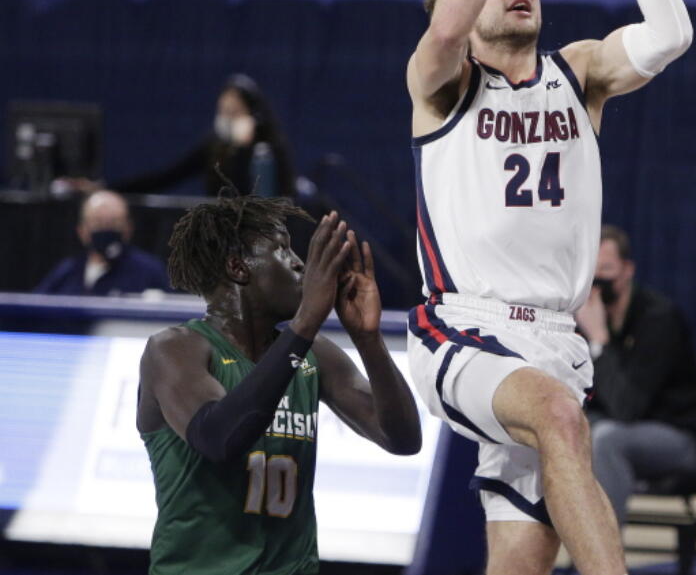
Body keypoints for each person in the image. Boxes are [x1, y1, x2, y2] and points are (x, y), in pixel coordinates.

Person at [403, 0, 691, 575]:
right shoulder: (442, 86)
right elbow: (440, 33)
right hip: (463, 329)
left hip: (555, 343)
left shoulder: (580, 72)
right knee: (560, 418)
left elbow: (670, 36)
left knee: (520, 565)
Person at [137, 197, 421, 575]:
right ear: (239, 268)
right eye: (282, 250)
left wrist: (368, 339)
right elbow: (218, 438)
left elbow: (402, 439)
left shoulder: (313, 353)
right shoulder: (175, 349)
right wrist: (305, 322)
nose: (300, 263)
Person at [574, 225, 696, 525]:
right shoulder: (579, 318)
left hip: (678, 434)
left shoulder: (659, 319)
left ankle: (603, 563)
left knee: (607, 439)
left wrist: (598, 340)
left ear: (627, 270)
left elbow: (627, 408)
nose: (597, 282)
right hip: (614, 426)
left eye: (607, 269)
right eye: (591, 272)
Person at [115, 73, 296, 197]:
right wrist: (111, 190)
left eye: (234, 112)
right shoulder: (214, 146)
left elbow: (255, 195)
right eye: (223, 111)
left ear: (253, 114)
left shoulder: (269, 149)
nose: (227, 119)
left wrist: (243, 150)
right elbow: (168, 176)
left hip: (260, 236)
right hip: (220, 236)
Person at [34, 189, 171, 295]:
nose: (106, 229)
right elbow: (35, 311)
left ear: (128, 229)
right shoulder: (67, 271)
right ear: (82, 231)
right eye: (98, 223)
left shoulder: (149, 272)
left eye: (114, 223)